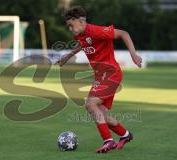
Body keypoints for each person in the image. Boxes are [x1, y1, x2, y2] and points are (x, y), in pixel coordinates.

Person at [56, 6, 142, 153]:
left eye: (71, 25)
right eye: (68, 26)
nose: (70, 29)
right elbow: (82, 44)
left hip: (110, 74)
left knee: (90, 104)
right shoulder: (79, 35)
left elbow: (123, 33)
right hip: (100, 76)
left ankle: (108, 141)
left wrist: (133, 55)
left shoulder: (96, 31)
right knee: (101, 112)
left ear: (81, 21)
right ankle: (125, 135)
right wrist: (68, 55)